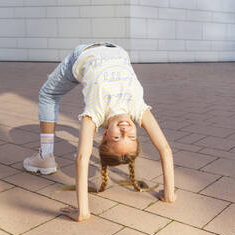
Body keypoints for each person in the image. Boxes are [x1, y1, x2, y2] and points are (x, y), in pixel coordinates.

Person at [23, 42, 177, 222]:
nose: (125, 128)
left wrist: (83, 212)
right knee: (50, 95)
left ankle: (46, 157)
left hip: (85, 54)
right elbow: (165, 148)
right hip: (117, 51)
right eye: (131, 136)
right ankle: (46, 156)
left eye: (118, 136)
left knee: (48, 95)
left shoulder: (95, 113)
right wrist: (169, 194)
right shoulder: (138, 108)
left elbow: (82, 158)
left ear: (105, 134)